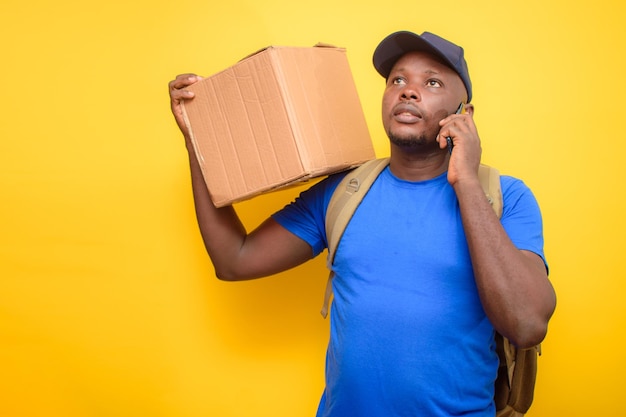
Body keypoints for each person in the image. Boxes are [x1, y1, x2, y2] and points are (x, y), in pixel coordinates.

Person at [169, 30, 556, 417]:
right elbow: (234, 260)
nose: (408, 91)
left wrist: (467, 182)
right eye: (397, 80)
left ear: (464, 114)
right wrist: (198, 140)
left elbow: (526, 324)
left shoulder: (505, 197)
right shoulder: (344, 191)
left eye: (432, 82)